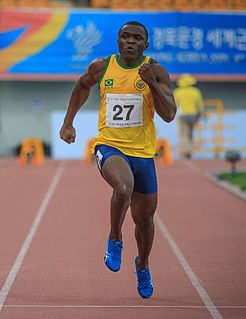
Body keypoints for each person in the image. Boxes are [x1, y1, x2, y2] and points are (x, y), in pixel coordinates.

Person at [59, 21, 177, 298]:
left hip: (143, 153)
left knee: (145, 220)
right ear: (118, 41)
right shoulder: (102, 67)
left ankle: (143, 265)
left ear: (146, 44)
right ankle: (114, 237)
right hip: (110, 146)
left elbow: (169, 114)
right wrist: (68, 123)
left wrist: (152, 85)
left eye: (137, 38)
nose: (130, 41)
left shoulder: (156, 71)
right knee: (123, 187)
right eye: (125, 36)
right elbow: (81, 86)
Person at [173, 73, 204, 159]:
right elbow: (200, 104)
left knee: (183, 134)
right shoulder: (195, 91)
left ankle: (184, 152)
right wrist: (201, 113)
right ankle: (190, 150)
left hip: (182, 115)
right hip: (193, 115)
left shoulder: (177, 92)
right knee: (190, 133)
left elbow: (174, 104)